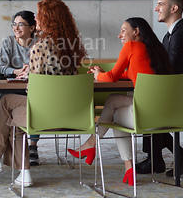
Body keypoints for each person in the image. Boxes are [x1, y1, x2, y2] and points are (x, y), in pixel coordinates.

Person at [0, 0, 87, 187]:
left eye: (38, 14)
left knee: (7, 105)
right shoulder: (72, 46)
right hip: (72, 115)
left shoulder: (40, 48)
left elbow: (33, 89)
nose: (35, 17)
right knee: (14, 116)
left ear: (47, 19)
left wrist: (29, 75)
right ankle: (20, 171)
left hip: (45, 117)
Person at [68, 17, 172, 186]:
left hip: (146, 118)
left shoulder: (131, 46)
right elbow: (126, 75)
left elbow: (111, 77)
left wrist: (97, 75)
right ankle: (122, 166)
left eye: (123, 30)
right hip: (168, 118)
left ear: (136, 32)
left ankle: (95, 146)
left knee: (115, 114)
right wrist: (102, 73)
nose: (119, 35)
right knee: (113, 99)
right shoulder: (155, 50)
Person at [137, 0, 183, 177]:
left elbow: (170, 72)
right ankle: (157, 159)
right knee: (149, 106)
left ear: (174, 8)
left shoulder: (182, 35)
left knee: (148, 109)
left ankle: (159, 159)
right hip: (180, 96)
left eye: (161, 4)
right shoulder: (170, 35)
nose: (157, 8)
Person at [0, 10, 40, 165]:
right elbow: (2, 67)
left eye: (21, 24)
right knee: (6, 103)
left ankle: (32, 146)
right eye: (14, 24)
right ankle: (11, 148)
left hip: (34, 86)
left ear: (32, 27)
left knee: (35, 104)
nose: (16, 28)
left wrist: (31, 70)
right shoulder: (8, 41)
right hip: (13, 85)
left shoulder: (40, 43)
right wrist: (17, 71)